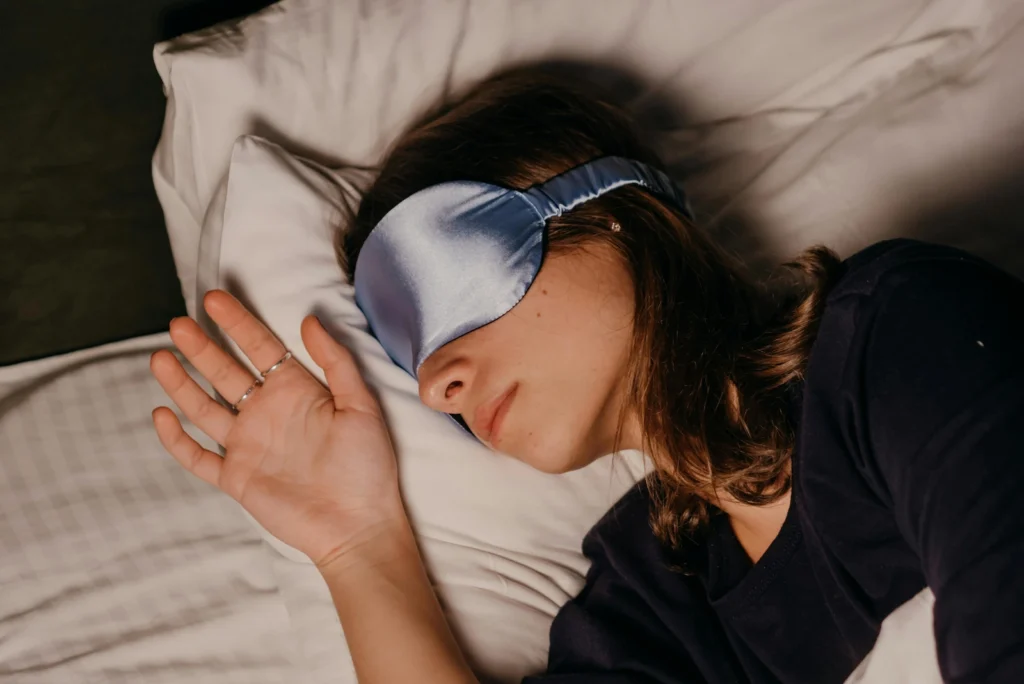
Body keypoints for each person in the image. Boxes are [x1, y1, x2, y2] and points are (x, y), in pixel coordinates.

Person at [149, 69, 1024, 683]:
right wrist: (355, 543)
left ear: (613, 214)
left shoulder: (894, 332)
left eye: (447, 287)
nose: (434, 386)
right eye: (407, 353)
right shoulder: (655, 591)